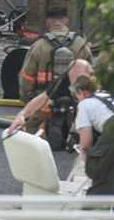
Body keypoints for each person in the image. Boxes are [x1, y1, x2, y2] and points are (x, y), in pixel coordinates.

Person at [15, 9, 92, 146]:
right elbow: (92, 77)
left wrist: (27, 102)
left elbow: (26, 77)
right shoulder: (81, 45)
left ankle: (41, 136)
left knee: (28, 133)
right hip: (77, 104)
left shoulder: (39, 46)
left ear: (47, 22)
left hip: (44, 103)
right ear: (66, 21)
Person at [71, 74, 114, 194]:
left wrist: (86, 160)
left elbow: (85, 144)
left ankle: (95, 208)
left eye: (76, 97)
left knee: (101, 174)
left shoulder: (84, 104)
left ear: (82, 92)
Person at [7, 58, 92, 135]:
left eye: (81, 85)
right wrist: (22, 115)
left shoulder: (100, 84)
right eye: (74, 84)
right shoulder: (64, 81)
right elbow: (42, 99)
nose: (77, 88)